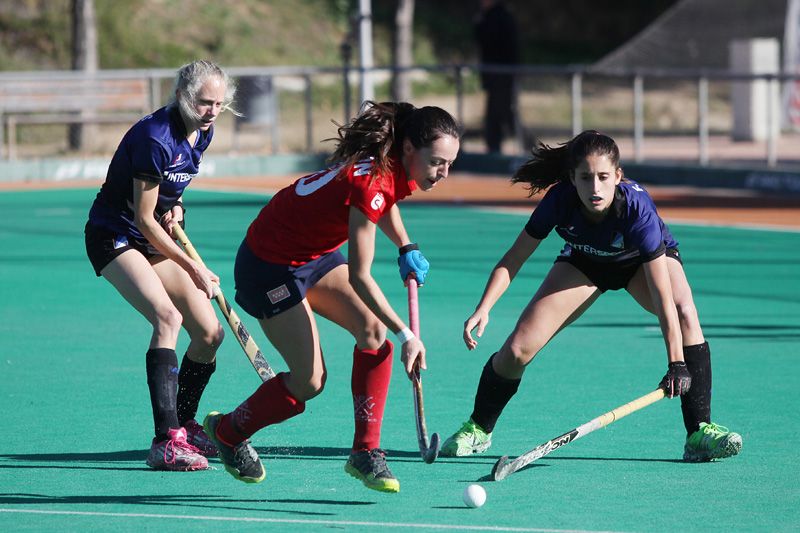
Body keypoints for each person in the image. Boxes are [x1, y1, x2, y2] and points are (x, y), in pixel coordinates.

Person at [201, 101, 460, 493]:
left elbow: (381, 201)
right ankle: (227, 431)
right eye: (437, 162)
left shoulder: (388, 162)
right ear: (410, 149)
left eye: (449, 164)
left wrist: (406, 245)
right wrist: (407, 333)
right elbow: (360, 275)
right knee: (309, 382)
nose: (443, 173)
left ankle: (365, 452)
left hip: (312, 254)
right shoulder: (373, 179)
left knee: (372, 332)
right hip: (268, 265)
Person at [440, 130, 742, 463]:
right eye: (585, 178)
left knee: (685, 311)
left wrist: (676, 363)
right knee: (515, 350)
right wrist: (484, 308)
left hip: (639, 264)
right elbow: (514, 258)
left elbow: (662, 295)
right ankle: (479, 429)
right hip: (585, 262)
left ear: (618, 176)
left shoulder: (636, 210)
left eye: (602, 177)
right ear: (572, 178)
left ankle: (699, 431)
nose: (594, 188)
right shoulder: (559, 201)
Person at [84, 60, 238, 471]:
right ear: (183, 97)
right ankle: (165, 441)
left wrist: (178, 208)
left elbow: (170, 195)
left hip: (153, 235)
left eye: (219, 103)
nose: (212, 111)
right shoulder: (155, 137)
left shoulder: (202, 132)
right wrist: (193, 267)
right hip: (114, 236)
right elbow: (144, 220)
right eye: (205, 102)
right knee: (167, 318)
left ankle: (184, 423)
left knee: (209, 333)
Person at [475, 0, 520, 153]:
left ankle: (529, 145)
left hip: (502, 75)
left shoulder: (500, 17)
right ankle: (494, 146)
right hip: (493, 76)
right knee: (495, 113)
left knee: (505, 113)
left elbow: (494, 42)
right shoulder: (488, 16)